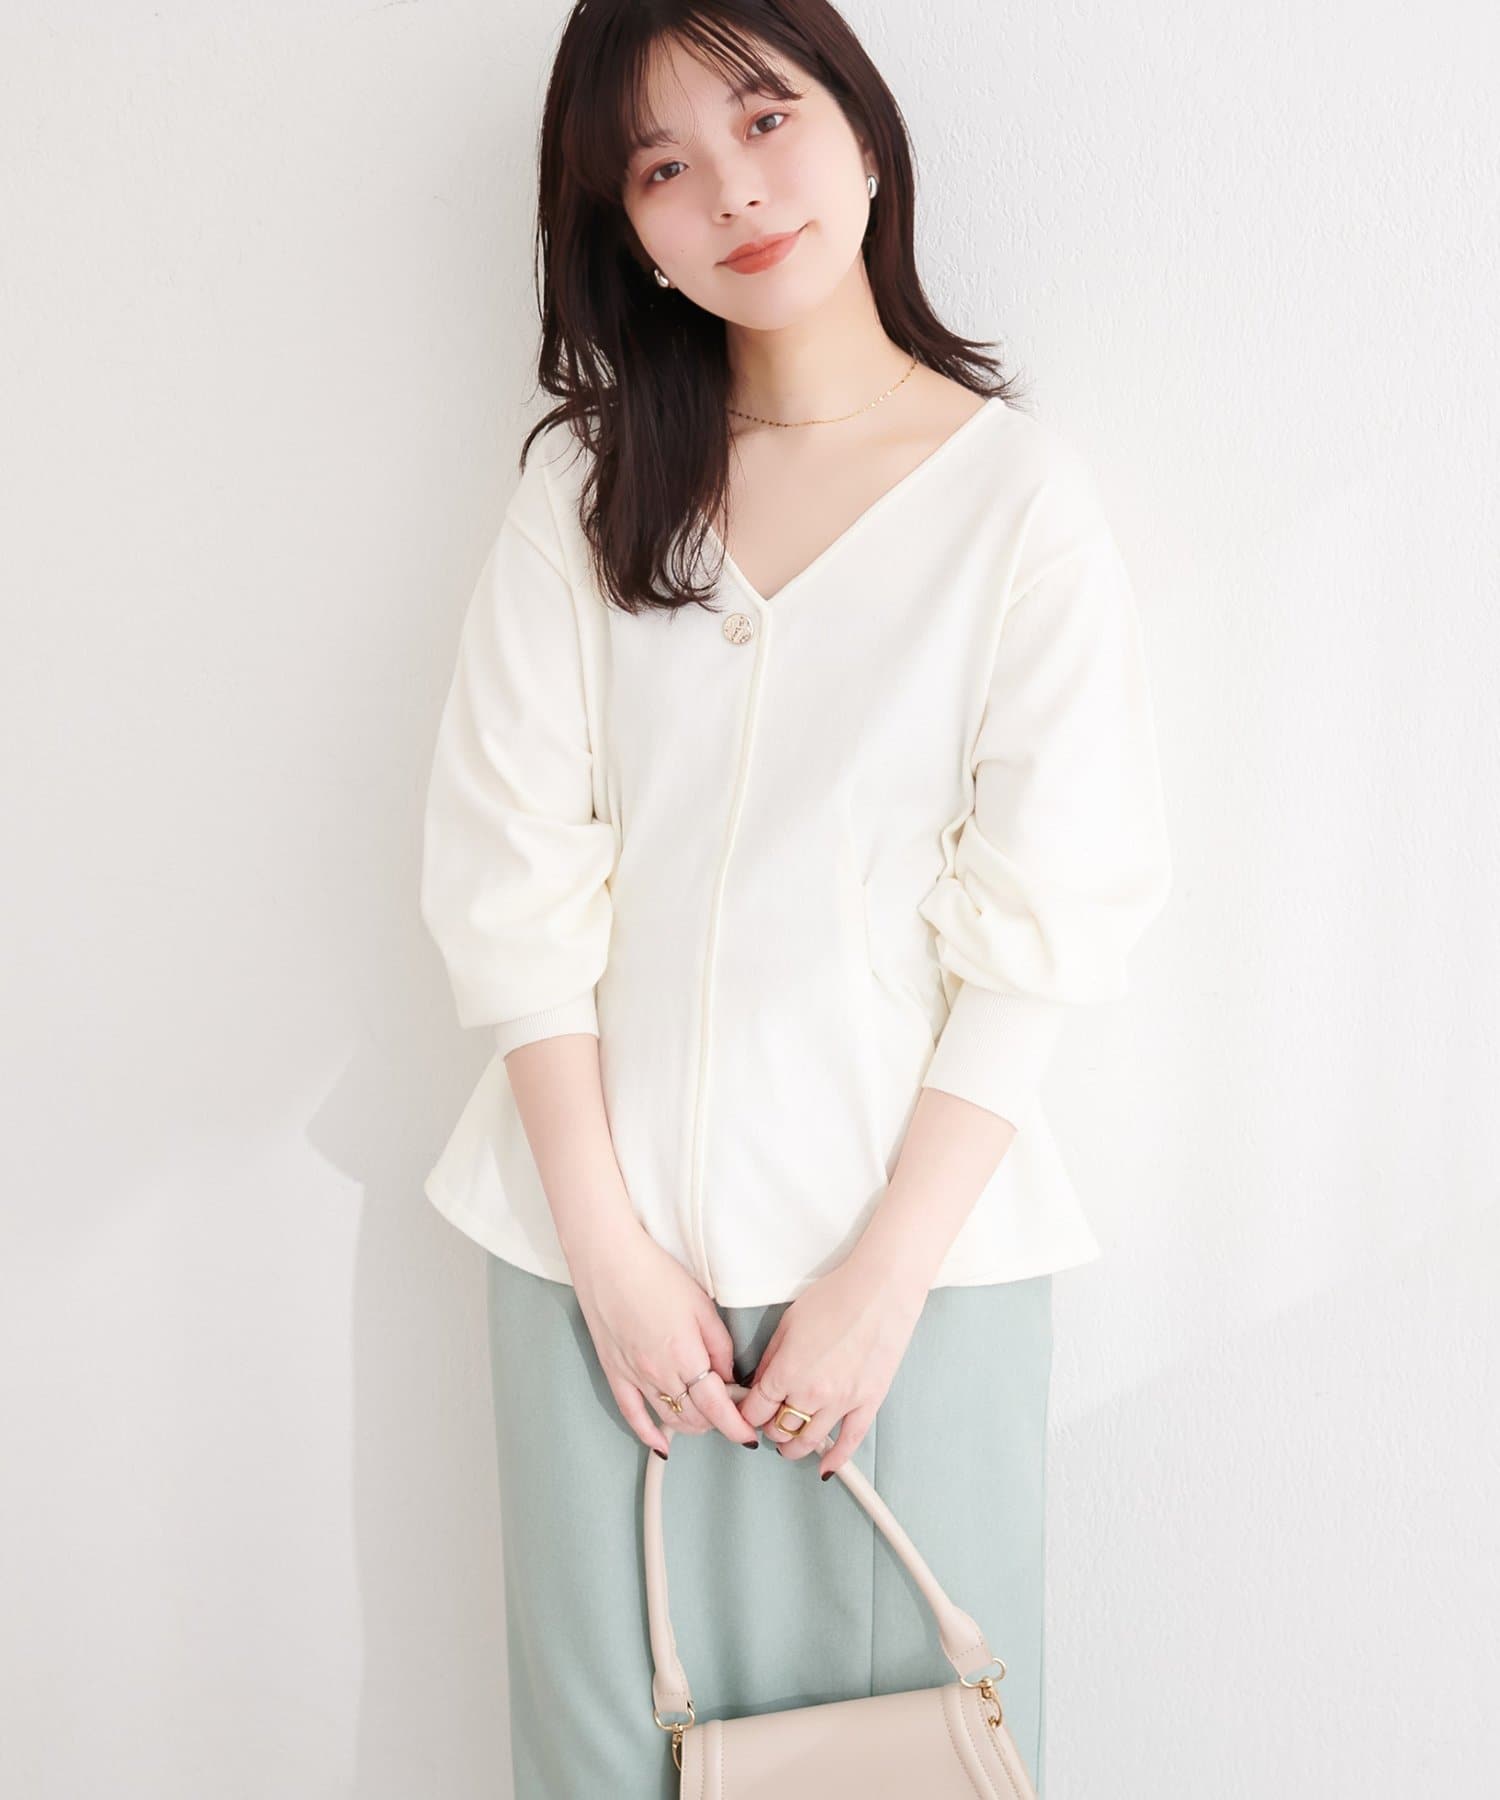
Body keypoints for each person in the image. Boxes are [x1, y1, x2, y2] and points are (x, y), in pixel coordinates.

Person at [418, 4, 1173, 1795]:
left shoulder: (1016, 503)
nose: (734, 193)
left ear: (863, 133)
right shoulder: (587, 491)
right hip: (599, 1278)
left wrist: (883, 1282)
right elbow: (513, 872)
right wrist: (605, 1255)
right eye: (662, 165)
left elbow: (1050, 911)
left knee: (925, 1751)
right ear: (626, 231)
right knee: (607, 1757)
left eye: (765, 121)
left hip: (908, 1278)